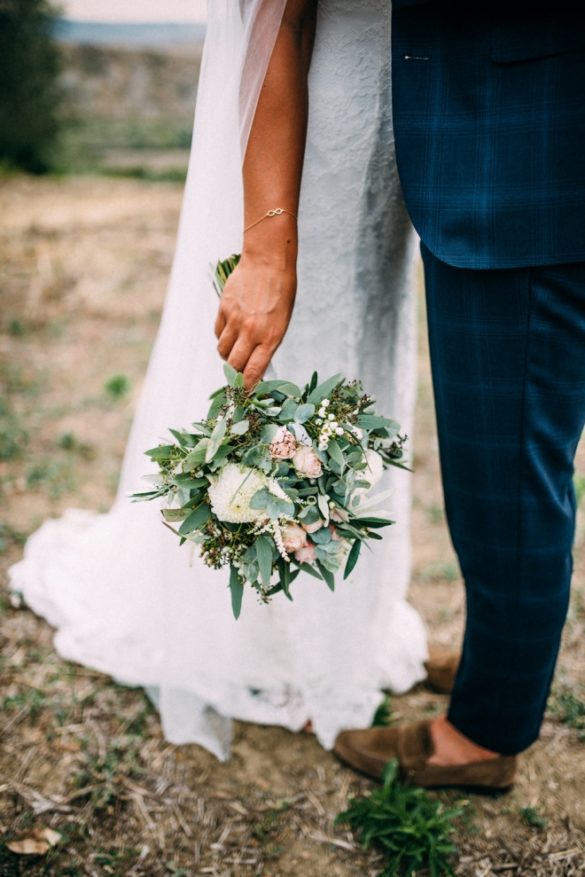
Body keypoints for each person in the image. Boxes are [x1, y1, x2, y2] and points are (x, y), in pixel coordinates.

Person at [9, 0, 428, 762]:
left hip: (396, 134)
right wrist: (267, 246)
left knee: (361, 353)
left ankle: (345, 625)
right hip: (314, 133)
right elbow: (276, 16)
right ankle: (267, 643)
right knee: (298, 365)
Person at [334, 2, 585, 788]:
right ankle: (492, 673)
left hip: (525, 162)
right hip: (505, 147)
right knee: (495, 473)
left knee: (507, 477)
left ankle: (483, 734)